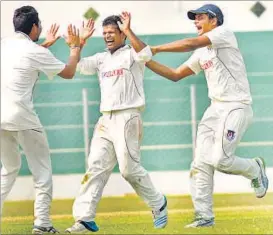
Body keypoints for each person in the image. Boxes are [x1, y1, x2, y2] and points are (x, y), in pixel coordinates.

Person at [120, 5, 269, 228]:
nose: (196, 22)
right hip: (215, 109)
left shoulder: (224, 34)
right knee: (200, 163)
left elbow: (190, 42)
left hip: (236, 106)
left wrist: (156, 49)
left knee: (220, 160)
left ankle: (255, 168)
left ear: (214, 20)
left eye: (200, 18)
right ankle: (204, 216)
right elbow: (175, 75)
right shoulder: (202, 53)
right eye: (194, 19)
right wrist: (144, 58)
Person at [65, 14, 168, 233]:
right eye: (104, 33)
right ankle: (84, 219)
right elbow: (79, 66)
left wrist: (130, 30)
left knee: (129, 171)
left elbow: (146, 54)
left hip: (128, 116)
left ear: (122, 33)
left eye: (112, 32)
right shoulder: (101, 58)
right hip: (105, 119)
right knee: (95, 167)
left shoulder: (132, 53)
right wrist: (79, 44)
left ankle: (158, 202)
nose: (107, 36)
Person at [1, 5, 84, 234]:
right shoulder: (36, 51)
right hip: (22, 115)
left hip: (0, 117)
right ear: (35, 27)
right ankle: (42, 224)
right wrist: (75, 48)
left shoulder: (5, 45)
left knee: (9, 169)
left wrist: (46, 44)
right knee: (42, 172)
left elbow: (24, 58)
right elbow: (68, 73)